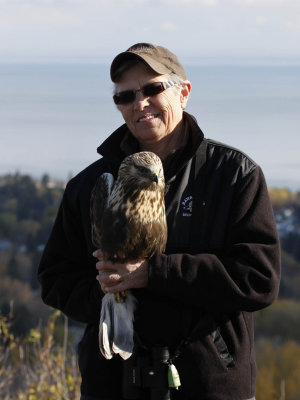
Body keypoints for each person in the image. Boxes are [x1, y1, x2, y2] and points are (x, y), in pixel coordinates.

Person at [38, 43, 281, 400]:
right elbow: (56, 281)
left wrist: (155, 273)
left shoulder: (233, 175)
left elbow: (258, 280)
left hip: (207, 384)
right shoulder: (92, 184)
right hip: (114, 383)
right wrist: (109, 296)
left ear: (183, 92)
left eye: (153, 89)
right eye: (125, 96)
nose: (140, 104)